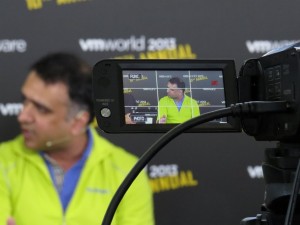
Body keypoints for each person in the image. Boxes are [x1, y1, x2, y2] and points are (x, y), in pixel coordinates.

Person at [0, 53, 154, 225]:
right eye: (25, 101)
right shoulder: (2, 161)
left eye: (41, 109)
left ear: (78, 122)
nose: (23, 116)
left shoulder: (128, 171)